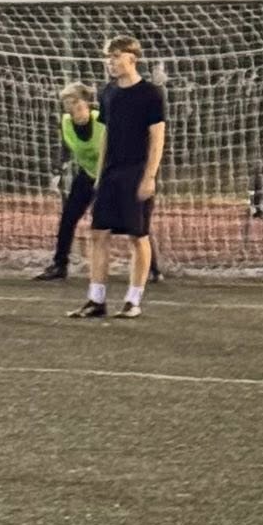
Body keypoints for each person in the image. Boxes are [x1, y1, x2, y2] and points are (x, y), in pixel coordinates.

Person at [70, 36, 165, 321]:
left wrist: (149, 177)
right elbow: (107, 135)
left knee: (138, 236)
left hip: (137, 171)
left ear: (131, 58)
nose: (109, 62)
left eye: (115, 56)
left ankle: (133, 301)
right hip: (111, 173)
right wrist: (100, 175)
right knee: (98, 233)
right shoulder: (108, 92)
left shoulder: (151, 93)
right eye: (107, 57)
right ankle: (96, 300)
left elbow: (157, 137)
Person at [37, 82, 164, 284]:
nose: (74, 110)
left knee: (136, 224)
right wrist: (57, 170)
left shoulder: (102, 121)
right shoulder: (66, 123)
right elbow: (65, 148)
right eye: (69, 105)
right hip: (89, 174)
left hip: (114, 175)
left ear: (86, 104)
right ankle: (59, 265)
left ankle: (152, 268)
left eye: (77, 104)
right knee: (68, 217)